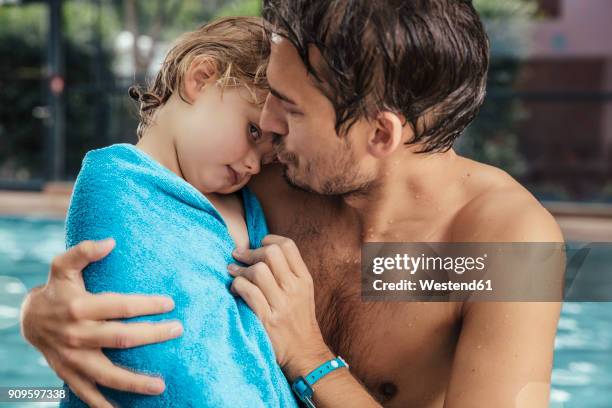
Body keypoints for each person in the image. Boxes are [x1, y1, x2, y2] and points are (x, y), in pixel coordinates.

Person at [21, 1, 564, 407]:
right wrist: (43, 314)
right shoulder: (269, 174)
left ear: (380, 133)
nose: (269, 132)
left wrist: (309, 356)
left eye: (289, 108)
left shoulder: (499, 247)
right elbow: (146, 230)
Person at [50, 16, 298, 407]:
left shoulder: (251, 203)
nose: (253, 165)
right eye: (253, 131)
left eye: (267, 158)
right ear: (200, 78)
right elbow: (151, 351)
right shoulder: (115, 181)